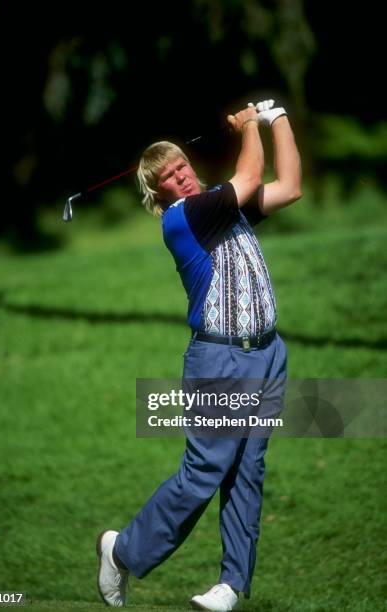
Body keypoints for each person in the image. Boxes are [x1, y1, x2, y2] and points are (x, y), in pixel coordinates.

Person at [96, 100, 302, 611]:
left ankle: (230, 585)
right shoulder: (183, 218)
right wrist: (248, 125)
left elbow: (290, 186)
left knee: (247, 472)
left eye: (182, 166)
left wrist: (276, 119)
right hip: (221, 362)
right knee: (204, 473)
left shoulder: (219, 202)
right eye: (168, 176)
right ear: (158, 192)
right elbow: (252, 174)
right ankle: (121, 551)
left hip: (267, 355)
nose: (181, 177)